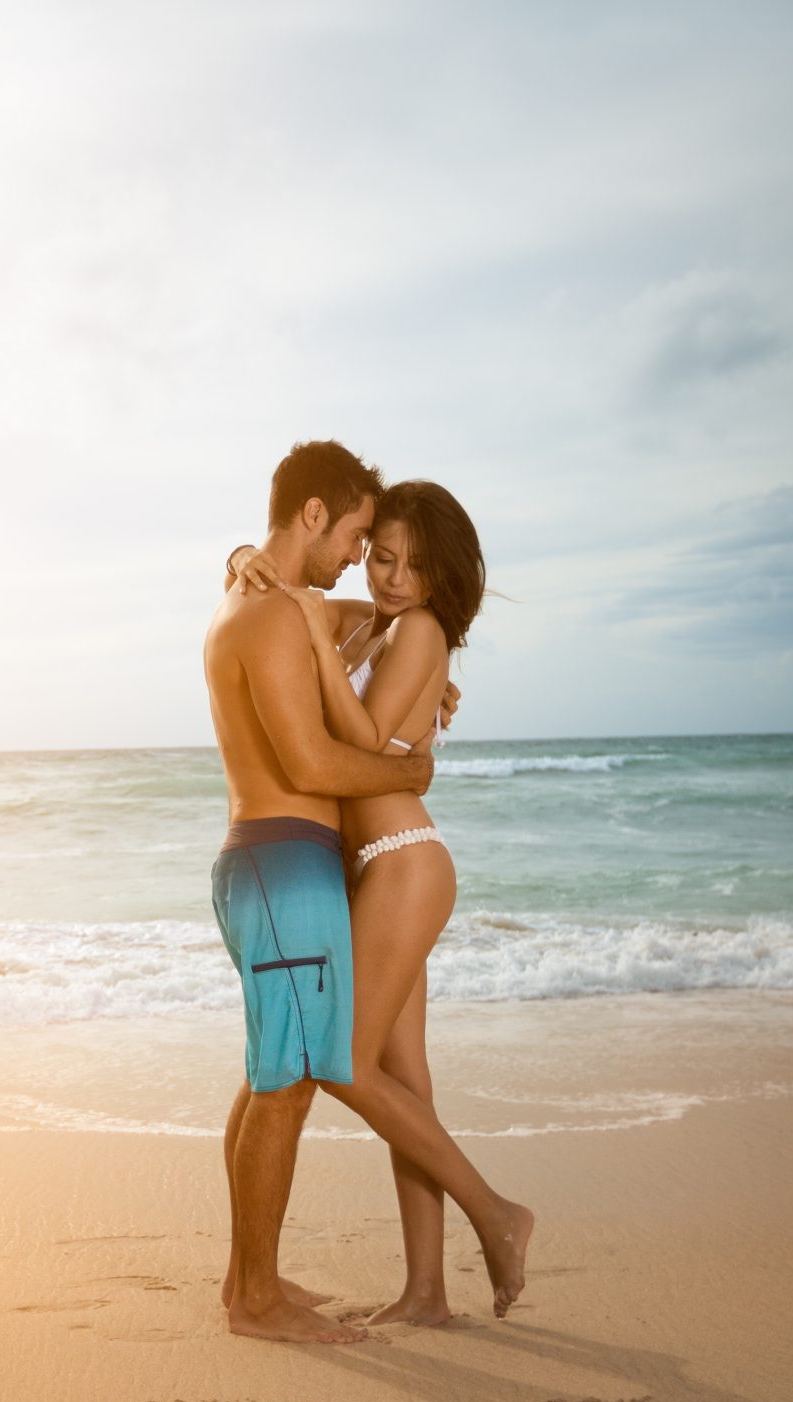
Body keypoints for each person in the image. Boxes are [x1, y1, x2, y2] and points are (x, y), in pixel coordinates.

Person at [228, 479, 535, 1321]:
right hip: (377, 866)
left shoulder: (419, 628)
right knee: (404, 1078)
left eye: (411, 565)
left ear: (440, 577)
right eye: (382, 557)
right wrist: (242, 559)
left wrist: (338, 656)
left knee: (347, 1063)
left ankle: (498, 1214)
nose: (392, 576)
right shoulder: (375, 623)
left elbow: (356, 741)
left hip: (402, 859)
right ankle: (427, 1291)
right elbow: (280, 609)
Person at [203, 441, 449, 1344]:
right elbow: (310, 760)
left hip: (277, 863)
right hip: (282, 861)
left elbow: (376, 619)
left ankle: (247, 1279)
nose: (358, 556)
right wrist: (407, 765)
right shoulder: (267, 618)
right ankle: (256, 1300)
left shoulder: (264, 600)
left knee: (276, 1075)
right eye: (353, 534)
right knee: (288, 1084)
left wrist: (424, 668)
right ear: (313, 513)